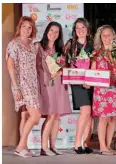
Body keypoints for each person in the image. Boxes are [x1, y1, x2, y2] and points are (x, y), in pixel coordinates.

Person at [6, 16, 41, 157]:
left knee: (26, 115)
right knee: (36, 114)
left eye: (30, 27)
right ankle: (20, 146)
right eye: (24, 26)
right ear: (19, 27)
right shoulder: (14, 44)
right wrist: (16, 87)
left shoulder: (32, 45)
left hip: (32, 84)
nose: (27, 29)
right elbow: (10, 66)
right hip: (21, 84)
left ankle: (24, 146)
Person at [35, 21, 71, 156]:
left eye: (57, 32)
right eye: (51, 30)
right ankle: (44, 148)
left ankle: (53, 146)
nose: (53, 34)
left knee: (57, 116)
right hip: (46, 85)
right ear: (46, 31)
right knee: (50, 115)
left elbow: (66, 66)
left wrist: (60, 72)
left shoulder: (61, 50)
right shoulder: (38, 46)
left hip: (60, 85)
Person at [91, 25, 116, 155]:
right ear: (100, 38)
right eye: (104, 35)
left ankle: (108, 145)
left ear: (113, 36)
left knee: (113, 119)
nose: (106, 38)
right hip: (102, 91)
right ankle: (102, 146)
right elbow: (93, 72)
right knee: (103, 118)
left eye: (109, 35)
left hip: (115, 89)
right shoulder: (96, 54)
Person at [64, 18, 94, 154]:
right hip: (77, 81)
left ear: (87, 30)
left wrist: (91, 78)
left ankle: (85, 143)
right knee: (85, 111)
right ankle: (77, 144)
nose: (80, 30)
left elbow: (95, 63)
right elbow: (63, 61)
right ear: (74, 31)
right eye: (77, 28)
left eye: (83, 27)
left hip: (91, 82)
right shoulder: (71, 44)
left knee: (90, 114)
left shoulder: (93, 45)